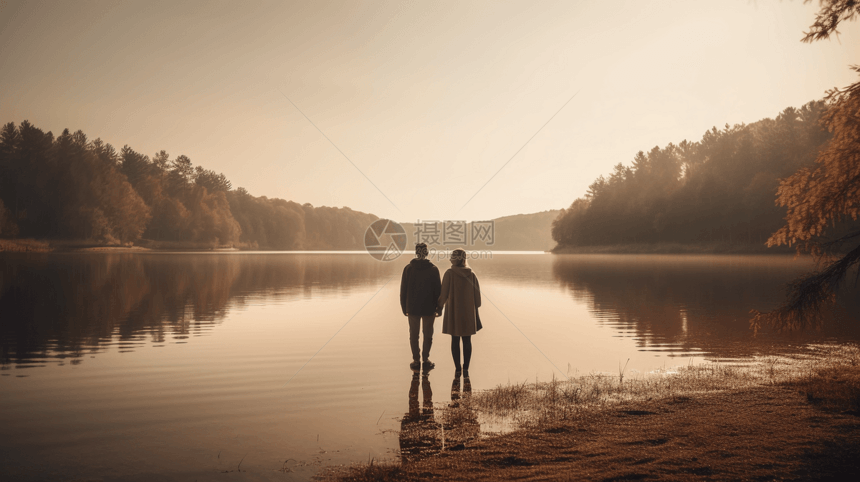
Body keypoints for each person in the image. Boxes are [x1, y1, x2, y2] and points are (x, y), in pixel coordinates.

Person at [436, 249, 481, 377]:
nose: (450, 259)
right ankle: (466, 369)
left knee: (455, 340)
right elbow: (478, 298)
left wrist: (439, 307)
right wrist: (475, 308)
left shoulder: (449, 274)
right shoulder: (472, 274)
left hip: (453, 312)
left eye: (452, 257)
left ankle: (457, 369)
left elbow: (443, 295)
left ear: (457, 259)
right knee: (467, 340)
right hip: (468, 312)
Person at [400, 242, 442, 371]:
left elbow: (403, 290)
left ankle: (416, 360)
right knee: (428, 334)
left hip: (412, 308)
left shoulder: (408, 268)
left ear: (416, 252)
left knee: (414, 335)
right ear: (427, 253)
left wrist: (404, 307)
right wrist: (439, 308)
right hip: (429, 308)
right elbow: (438, 291)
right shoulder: (433, 269)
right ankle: (425, 359)